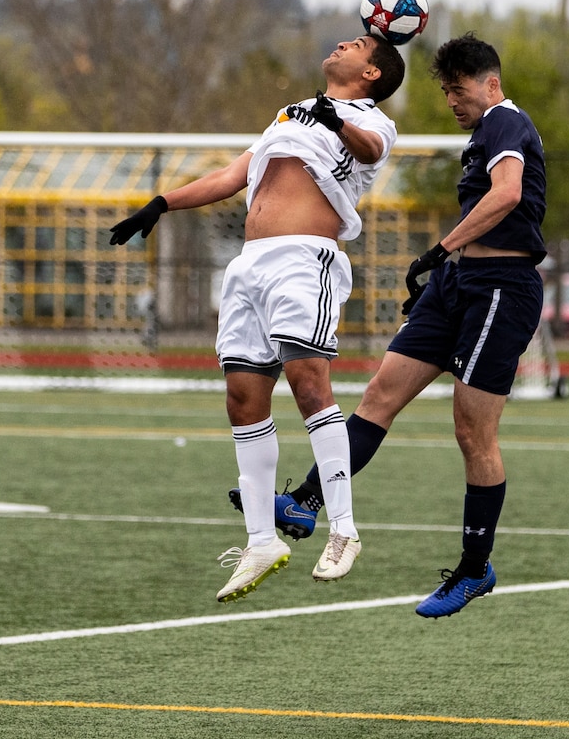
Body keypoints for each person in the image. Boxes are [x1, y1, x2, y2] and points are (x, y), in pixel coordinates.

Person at [109, 34, 405, 602]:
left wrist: (334, 121)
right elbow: (234, 174)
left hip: (303, 258)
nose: (344, 42)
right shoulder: (289, 116)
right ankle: (261, 540)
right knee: (242, 398)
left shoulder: (370, 119)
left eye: (358, 43)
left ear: (371, 73)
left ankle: (344, 529)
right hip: (250, 265)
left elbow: (367, 150)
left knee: (309, 384)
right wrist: (162, 203)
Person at [260, 33, 547, 617]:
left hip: (501, 289)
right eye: (444, 90)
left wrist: (440, 250)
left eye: (457, 89)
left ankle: (474, 569)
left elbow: (508, 195)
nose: (451, 100)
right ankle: (306, 502)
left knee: (472, 432)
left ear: (490, 84)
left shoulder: (505, 121)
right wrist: (444, 268)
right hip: (456, 287)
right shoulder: (481, 135)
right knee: (378, 396)